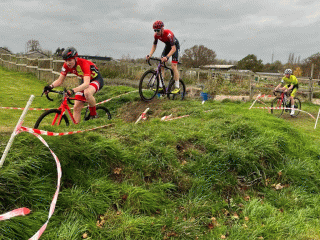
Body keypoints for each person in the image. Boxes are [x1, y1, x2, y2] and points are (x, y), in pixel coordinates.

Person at [43, 47, 104, 123]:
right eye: (66, 60)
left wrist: (72, 91)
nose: (68, 63)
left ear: (75, 58)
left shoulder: (84, 63)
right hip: (84, 80)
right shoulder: (66, 66)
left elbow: (86, 84)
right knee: (76, 107)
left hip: (96, 79)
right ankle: (76, 129)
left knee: (87, 93)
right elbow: (59, 80)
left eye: (70, 60)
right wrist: (50, 86)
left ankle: (94, 114)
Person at [146, 20, 180, 94]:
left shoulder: (169, 34)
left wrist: (167, 57)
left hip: (174, 47)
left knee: (173, 66)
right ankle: (161, 87)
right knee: (161, 65)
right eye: (155, 30)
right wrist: (150, 55)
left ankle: (177, 87)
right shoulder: (156, 35)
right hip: (168, 46)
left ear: (162, 29)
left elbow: (173, 49)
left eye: (158, 30)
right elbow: (154, 46)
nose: (156, 32)